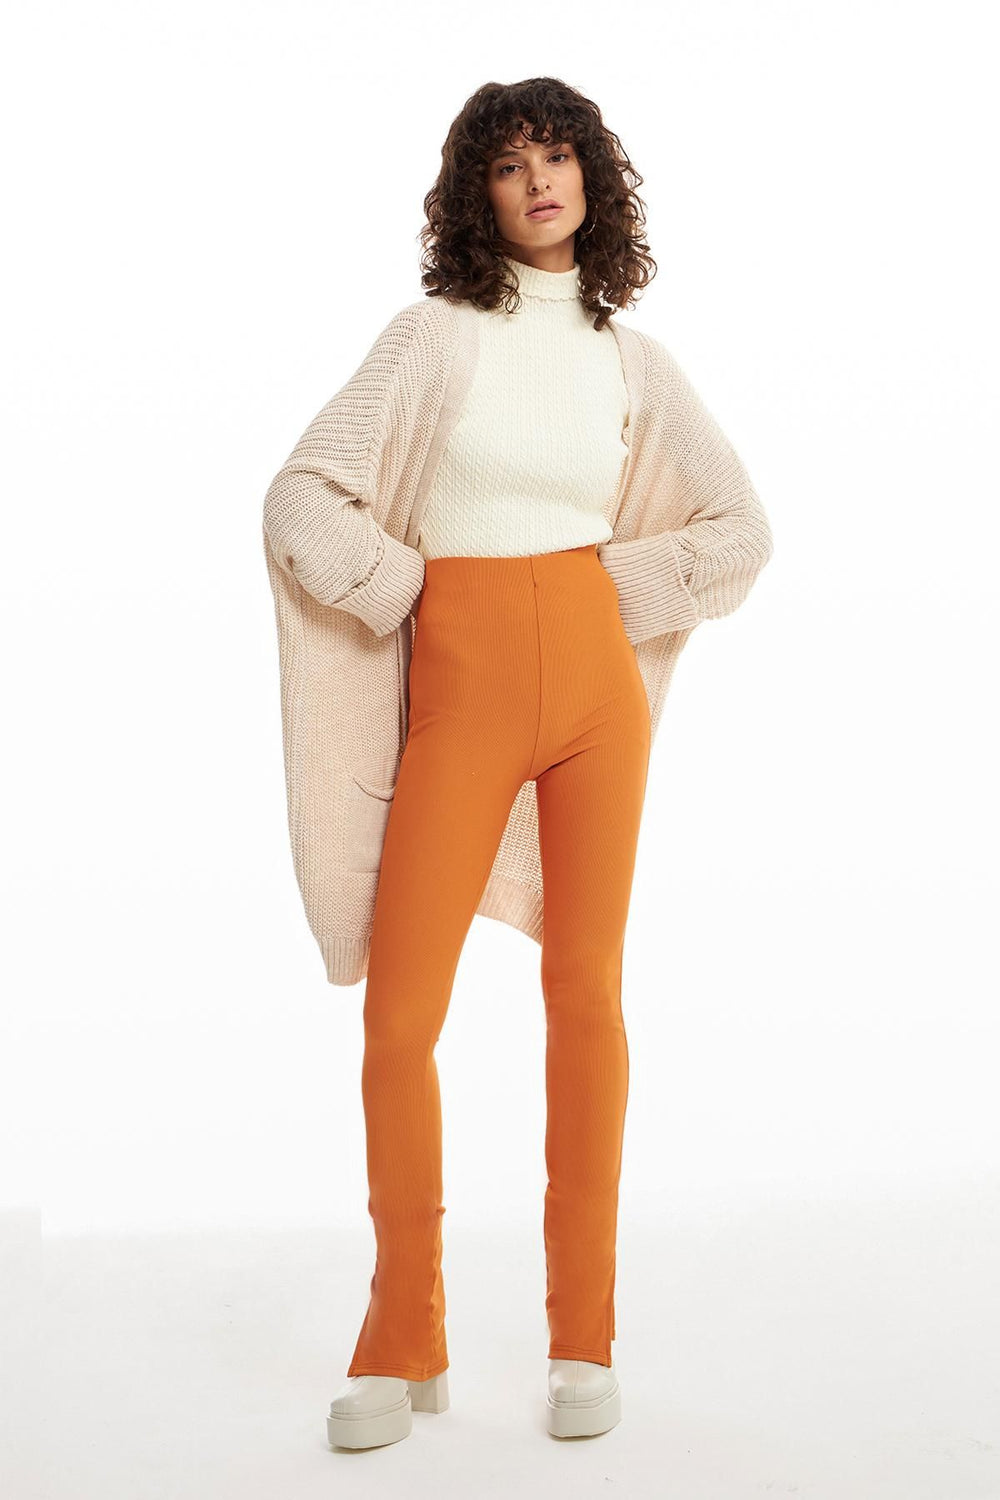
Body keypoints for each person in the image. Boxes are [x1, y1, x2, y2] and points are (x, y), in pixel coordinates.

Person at [262, 77, 773, 1450]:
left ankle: (583, 1340)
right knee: (399, 1018)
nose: (539, 180)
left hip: (594, 688)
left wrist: (607, 593)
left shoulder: (633, 361)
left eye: (559, 155)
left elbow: (740, 531)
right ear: (474, 196)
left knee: (587, 998)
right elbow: (302, 494)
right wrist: (406, 591)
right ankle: (402, 1335)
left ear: (594, 177)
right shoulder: (433, 337)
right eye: (508, 164)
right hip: (463, 682)